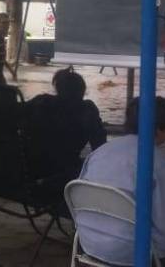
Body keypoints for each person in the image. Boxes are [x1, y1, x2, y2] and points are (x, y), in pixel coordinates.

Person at [77, 96, 165, 266]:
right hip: (135, 252)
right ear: (159, 129)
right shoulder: (162, 164)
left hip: (89, 242)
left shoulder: (98, 154)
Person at [23, 68, 107, 197]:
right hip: (64, 175)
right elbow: (100, 147)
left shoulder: (41, 102)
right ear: (82, 91)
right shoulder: (86, 111)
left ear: (58, 89)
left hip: (31, 169)